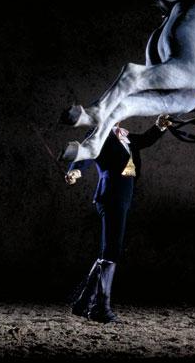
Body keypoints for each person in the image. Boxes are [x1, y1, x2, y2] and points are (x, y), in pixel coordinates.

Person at [65, 115, 171, 323]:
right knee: (111, 251)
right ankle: (99, 307)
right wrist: (75, 171)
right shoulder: (98, 135)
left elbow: (144, 140)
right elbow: (84, 155)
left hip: (122, 198)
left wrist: (159, 126)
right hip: (110, 196)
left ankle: (83, 303)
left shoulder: (125, 136)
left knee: (109, 251)